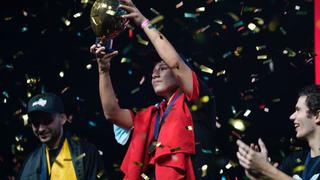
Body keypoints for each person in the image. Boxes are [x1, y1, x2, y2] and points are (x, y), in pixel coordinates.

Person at [90, 0, 216, 179]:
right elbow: (111, 113)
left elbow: (175, 63)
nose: (154, 74)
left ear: (177, 74)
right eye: (153, 71)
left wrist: (143, 22)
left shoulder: (197, 101)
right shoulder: (151, 116)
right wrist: (103, 70)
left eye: (162, 68)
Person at [236, 84, 320, 180]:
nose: (292, 117)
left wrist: (266, 169)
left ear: (317, 116)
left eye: (298, 110)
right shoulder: (294, 161)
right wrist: (260, 176)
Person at [19, 93, 107, 180]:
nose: (41, 129)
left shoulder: (86, 152)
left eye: (47, 120)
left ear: (62, 118)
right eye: (35, 123)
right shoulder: (29, 161)